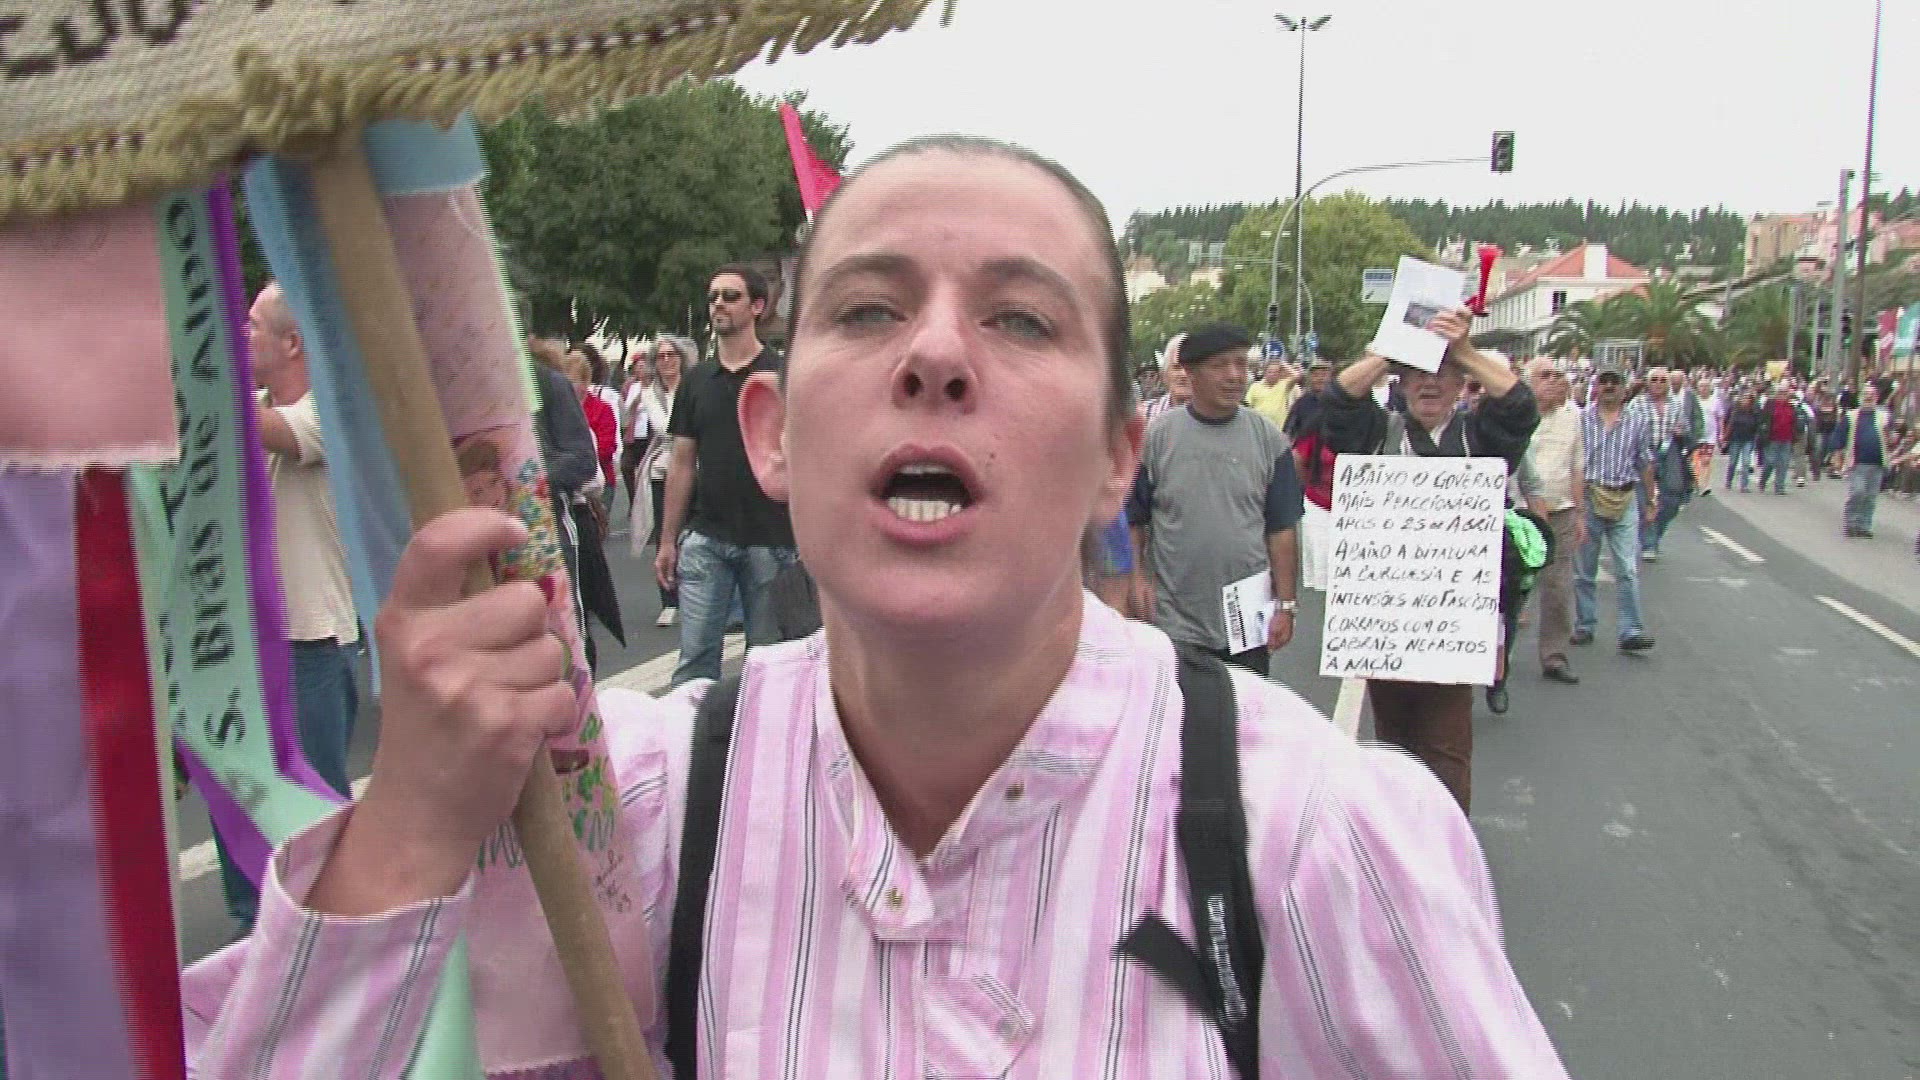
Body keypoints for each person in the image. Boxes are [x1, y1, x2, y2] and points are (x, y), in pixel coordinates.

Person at [181, 135, 1568, 1080]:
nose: (938, 356)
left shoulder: (1317, 846)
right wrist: (417, 823)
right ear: (773, 435)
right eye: (865, 311)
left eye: (1021, 320)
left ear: (1115, 458)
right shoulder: (636, 808)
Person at [1320, 320, 1540, 812]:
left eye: (1443, 374)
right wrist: (1391, 352)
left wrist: (1464, 351)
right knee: (1392, 750)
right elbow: (1335, 401)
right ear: (1400, 383)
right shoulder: (1377, 434)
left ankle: (1446, 843)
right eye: (1418, 374)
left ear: (1462, 384)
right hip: (1385, 624)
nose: (1430, 385)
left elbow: (1520, 407)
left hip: (1452, 625)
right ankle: (1400, 841)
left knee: (1445, 750)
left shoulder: (1481, 439)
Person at [214, 282, 363, 933]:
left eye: (249, 325)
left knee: (311, 814)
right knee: (234, 797)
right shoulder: (245, 406)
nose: (238, 335)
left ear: (294, 342)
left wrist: (199, 373)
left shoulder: (331, 408)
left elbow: (272, 432)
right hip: (238, 645)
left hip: (311, 643)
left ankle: (323, 941)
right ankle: (252, 934)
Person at [1127, 322, 1304, 675]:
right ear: (1191, 373)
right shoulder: (1158, 437)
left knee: (1243, 706)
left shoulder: (1268, 440)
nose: (1235, 376)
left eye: (1241, 364)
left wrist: (1286, 604)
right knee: (1181, 706)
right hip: (1175, 617)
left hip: (1247, 618)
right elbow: (1134, 520)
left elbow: (1282, 529)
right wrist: (1136, 580)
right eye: (1220, 366)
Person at [654, 264, 799, 685]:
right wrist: (668, 540)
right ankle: (691, 729)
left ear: (757, 306)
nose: (718, 303)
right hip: (708, 538)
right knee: (694, 663)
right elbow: (682, 462)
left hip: (772, 540)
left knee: (768, 666)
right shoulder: (696, 381)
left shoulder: (783, 375)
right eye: (713, 296)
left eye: (731, 296)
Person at [1573, 363, 1657, 655]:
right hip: (1589, 498)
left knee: (1627, 569)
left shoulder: (1638, 422)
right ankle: (1585, 624)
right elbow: (1572, 462)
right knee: (1584, 570)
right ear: (1596, 387)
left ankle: (1630, 630)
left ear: (1624, 389)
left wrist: (1650, 500)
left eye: (1615, 382)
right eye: (1604, 381)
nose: (1609, 387)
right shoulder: (1581, 419)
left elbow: (1645, 462)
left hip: (1624, 498)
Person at [1524, 358, 1585, 686]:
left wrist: (1580, 513)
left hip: (1560, 511)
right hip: (1519, 512)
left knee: (1558, 586)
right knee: (1506, 588)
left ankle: (1554, 656)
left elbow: (1577, 466)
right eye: (1544, 375)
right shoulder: (1516, 413)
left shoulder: (1573, 417)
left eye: (1558, 375)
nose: (1554, 381)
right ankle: (1493, 660)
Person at [640, 335, 694, 626]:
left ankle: (695, 594)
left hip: (696, 468)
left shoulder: (693, 387)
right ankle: (669, 600)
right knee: (666, 534)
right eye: (660, 357)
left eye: (671, 355)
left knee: (697, 534)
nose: (666, 361)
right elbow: (664, 427)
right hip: (663, 472)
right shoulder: (650, 394)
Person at [1627, 366, 1698, 562]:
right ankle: (1649, 544)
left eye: (1662, 380)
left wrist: (1682, 433)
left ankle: (1655, 533)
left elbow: (1688, 432)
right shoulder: (1637, 404)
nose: (1658, 383)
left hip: (1669, 455)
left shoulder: (1676, 405)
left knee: (1673, 498)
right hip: (1643, 454)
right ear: (1647, 383)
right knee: (1645, 499)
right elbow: (1627, 429)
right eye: (1654, 380)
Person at [1836, 383, 1894, 538]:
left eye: (1872, 395)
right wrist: (1837, 457)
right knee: (1858, 492)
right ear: (1861, 397)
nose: (1868, 397)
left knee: (1870, 496)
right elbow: (1839, 438)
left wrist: (1891, 437)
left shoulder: (1884, 417)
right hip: (1857, 463)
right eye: (1866, 394)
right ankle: (1851, 523)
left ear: (1876, 397)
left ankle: (1864, 526)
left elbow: (1891, 438)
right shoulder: (1851, 416)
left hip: (1877, 463)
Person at [1757, 385, 1801, 496]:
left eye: (1785, 393)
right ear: (1777, 394)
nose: (1783, 395)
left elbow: (1794, 422)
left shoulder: (1791, 406)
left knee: (1784, 463)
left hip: (1787, 439)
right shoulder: (1770, 404)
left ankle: (1779, 487)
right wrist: (1763, 432)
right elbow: (1763, 420)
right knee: (1770, 462)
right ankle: (1763, 480)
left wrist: (1795, 434)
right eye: (1780, 393)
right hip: (1772, 438)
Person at [1722, 387, 1761, 492]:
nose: (1745, 400)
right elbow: (1729, 423)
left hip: (1748, 439)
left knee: (1746, 462)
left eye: (1748, 398)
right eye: (1744, 398)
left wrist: (1757, 436)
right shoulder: (1735, 410)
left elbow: (1758, 424)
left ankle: (1744, 485)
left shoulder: (1754, 411)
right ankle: (1729, 481)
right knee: (1733, 461)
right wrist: (1725, 437)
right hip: (1735, 438)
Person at [1242, 356, 1297, 429]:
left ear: (1279, 373)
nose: (1272, 374)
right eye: (1270, 372)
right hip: (1259, 427)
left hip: (1278, 428)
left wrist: (1282, 363)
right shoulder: (1255, 386)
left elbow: (1296, 375)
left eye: (1276, 372)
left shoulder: (1284, 384)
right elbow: (1247, 406)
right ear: (1265, 373)